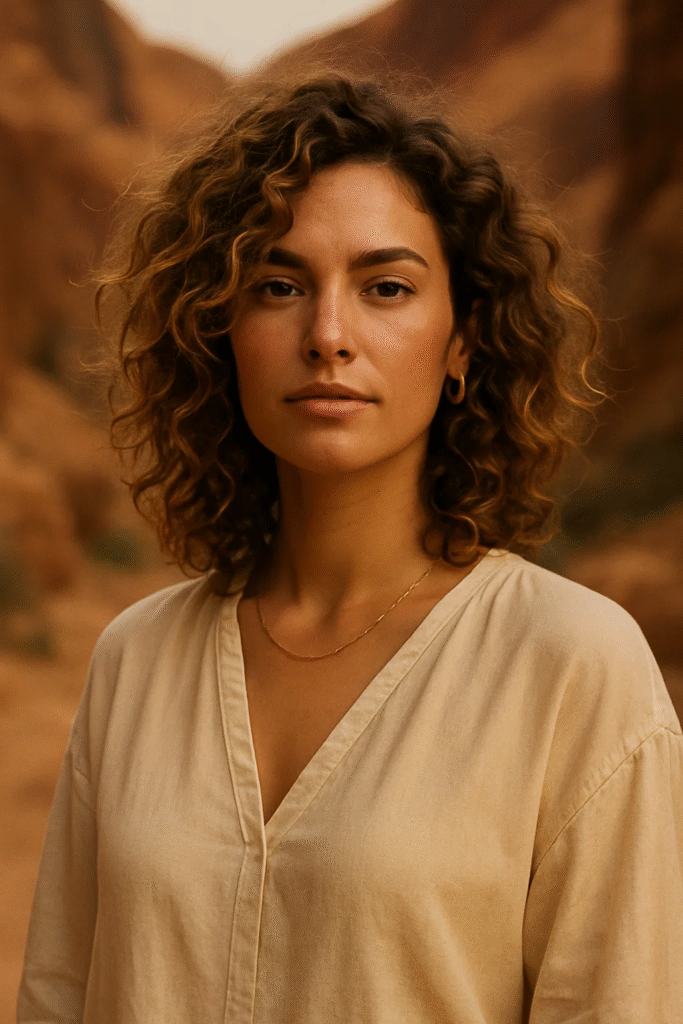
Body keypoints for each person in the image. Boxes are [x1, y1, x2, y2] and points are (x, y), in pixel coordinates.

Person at [17, 72, 683, 1023]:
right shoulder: (137, 660)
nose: (328, 335)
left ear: (461, 341)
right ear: (222, 329)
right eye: (280, 286)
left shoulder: (571, 666)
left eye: (386, 288)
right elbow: (59, 999)